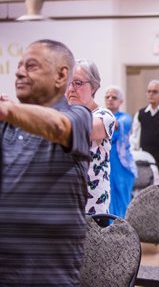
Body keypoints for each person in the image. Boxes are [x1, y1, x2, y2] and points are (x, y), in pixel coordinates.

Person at [0, 39, 92, 285]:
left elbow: (57, 126)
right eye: (19, 66)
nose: (19, 72)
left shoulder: (78, 116)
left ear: (61, 75)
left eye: (31, 66)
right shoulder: (6, 126)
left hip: (47, 273)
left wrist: (7, 110)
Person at [66, 59, 116, 215]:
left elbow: (81, 131)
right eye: (68, 82)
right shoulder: (63, 114)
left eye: (78, 83)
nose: (71, 88)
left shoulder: (104, 116)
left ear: (93, 86)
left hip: (92, 204)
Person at [105, 85, 137, 218]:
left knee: (123, 200)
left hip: (121, 167)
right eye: (107, 97)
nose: (110, 99)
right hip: (105, 166)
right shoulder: (101, 115)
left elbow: (116, 124)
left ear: (121, 101)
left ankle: (123, 233)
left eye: (114, 97)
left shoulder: (125, 117)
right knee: (106, 199)